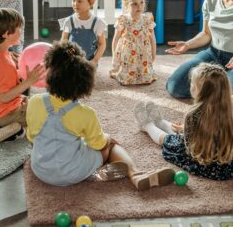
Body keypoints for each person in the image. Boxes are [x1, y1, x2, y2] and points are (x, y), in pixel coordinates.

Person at [26, 41, 175, 190]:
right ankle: (135, 174)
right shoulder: (86, 114)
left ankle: (92, 171)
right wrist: (108, 139)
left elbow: (32, 137)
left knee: (70, 140)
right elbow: (98, 144)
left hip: (41, 170)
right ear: (84, 84)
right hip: (72, 172)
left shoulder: (34, 102)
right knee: (110, 145)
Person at [134, 63, 233, 180]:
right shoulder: (229, 108)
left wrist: (185, 130)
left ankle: (147, 125)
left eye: (193, 84)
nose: (190, 86)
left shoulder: (194, 114)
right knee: (179, 134)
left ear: (200, 91)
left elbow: (188, 142)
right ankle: (160, 122)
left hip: (203, 161)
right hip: (225, 163)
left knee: (169, 140)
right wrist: (185, 129)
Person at [166, 0, 233, 98]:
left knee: (226, 95)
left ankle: (218, 91)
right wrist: (188, 44)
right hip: (213, 53)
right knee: (175, 87)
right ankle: (215, 89)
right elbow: (206, 34)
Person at [0, 8, 45, 144]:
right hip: (8, 112)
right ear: (6, 34)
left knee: (37, 102)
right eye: (18, 29)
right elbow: (4, 97)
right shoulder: (3, 63)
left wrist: (20, 72)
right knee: (44, 116)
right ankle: (14, 129)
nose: (21, 32)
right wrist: (28, 82)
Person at [109, 0, 157, 85]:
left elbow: (152, 38)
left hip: (143, 53)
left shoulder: (147, 19)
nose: (139, 6)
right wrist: (115, 56)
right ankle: (122, 72)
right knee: (127, 78)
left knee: (146, 78)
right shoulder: (123, 19)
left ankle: (142, 73)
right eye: (134, 3)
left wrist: (153, 54)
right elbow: (116, 39)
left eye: (141, 2)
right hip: (127, 54)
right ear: (126, 4)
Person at [60, 0, 107, 64]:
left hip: (89, 62)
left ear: (91, 2)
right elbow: (63, 42)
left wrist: (95, 60)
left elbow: (102, 44)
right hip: (72, 61)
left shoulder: (98, 23)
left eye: (79, 1)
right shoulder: (68, 21)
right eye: (73, 0)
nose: (75, 4)